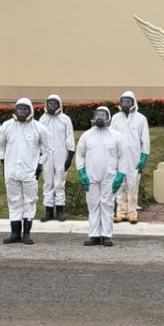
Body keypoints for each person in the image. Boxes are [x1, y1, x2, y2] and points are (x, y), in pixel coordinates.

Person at [0, 98, 52, 245]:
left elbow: (48, 148)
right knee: (13, 202)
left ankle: (26, 234)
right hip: (11, 172)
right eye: (19, 109)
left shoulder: (39, 128)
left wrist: (40, 164)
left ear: (30, 110)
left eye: (25, 109)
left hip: (30, 172)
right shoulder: (7, 126)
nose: (22, 112)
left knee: (29, 202)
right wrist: (2, 159)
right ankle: (15, 234)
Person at [76, 106, 127, 247]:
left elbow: (123, 157)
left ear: (108, 117)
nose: (100, 117)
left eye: (103, 114)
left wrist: (120, 175)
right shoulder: (86, 135)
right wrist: (81, 172)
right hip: (91, 177)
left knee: (107, 205)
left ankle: (106, 235)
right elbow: (80, 155)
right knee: (93, 205)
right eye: (98, 114)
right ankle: (94, 235)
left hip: (109, 177)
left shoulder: (116, 136)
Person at [110, 91, 150, 224]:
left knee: (133, 186)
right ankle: (121, 212)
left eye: (128, 101)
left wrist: (144, 156)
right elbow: (110, 137)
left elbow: (145, 140)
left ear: (133, 102)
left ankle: (132, 212)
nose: (126, 104)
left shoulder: (141, 119)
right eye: (123, 101)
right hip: (119, 159)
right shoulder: (115, 118)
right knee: (120, 186)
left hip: (135, 159)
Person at [38, 94, 75, 222]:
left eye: (54, 104)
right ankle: (48, 211)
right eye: (50, 104)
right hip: (46, 155)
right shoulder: (42, 119)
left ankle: (60, 210)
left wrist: (69, 158)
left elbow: (70, 139)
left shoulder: (65, 119)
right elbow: (39, 139)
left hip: (61, 154)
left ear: (59, 105)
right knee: (48, 182)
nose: (52, 106)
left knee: (59, 183)